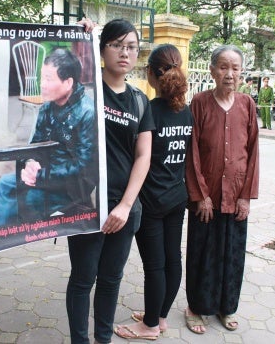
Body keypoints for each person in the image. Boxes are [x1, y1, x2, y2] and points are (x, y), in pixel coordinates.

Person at [66, 18, 154, 344]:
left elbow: (143, 156)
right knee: (83, 278)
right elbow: (68, 61)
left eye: (131, 47)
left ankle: (103, 339)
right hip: (86, 204)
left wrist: (126, 206)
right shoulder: (84, 90)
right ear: (102, 50)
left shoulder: (139, 100)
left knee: (111, 280)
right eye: (116, 45)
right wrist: (81, 35)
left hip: (125, 209)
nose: (124, 52)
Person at [115, 44, 194, 340]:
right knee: (173, 259)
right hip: (177, 197)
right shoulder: (186, 111)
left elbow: (143, 157)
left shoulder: (150, 109)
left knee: (155, 266)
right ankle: (159, 317)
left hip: (151, 201)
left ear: (151, 73)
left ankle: (148, 326)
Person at [184, 45, 259, 334]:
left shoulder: (247, 104)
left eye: (235, 68)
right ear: (213, 70)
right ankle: (196, 308)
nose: (230, 74)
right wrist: (200, 195)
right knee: (202, 253)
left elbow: (253, 152)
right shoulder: (199, 103)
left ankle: (226, 307)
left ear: (241, 72)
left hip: (236, 195)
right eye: (224, 67)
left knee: (233, 254)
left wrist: (246, 197)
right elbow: (192, 153)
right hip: (206, 195)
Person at [0, 48, 97, 226]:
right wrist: (31, 163)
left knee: (24, 200)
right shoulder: (47, 108)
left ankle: (16, 238)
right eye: (42, 78)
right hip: (44, 177)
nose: (42, 84)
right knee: (4, 185)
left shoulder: (87, 112)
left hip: (69, 186)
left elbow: (83, 165)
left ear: (68, 82)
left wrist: (41, 175)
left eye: (48, 79)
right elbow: (35, 144)